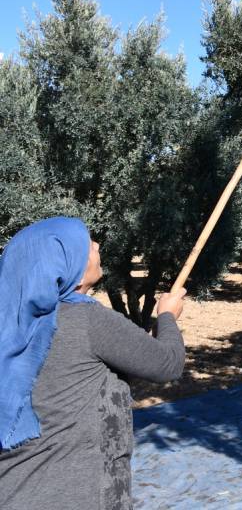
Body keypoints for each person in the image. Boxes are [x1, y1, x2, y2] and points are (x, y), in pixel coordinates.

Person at [0, 217, 187, 510]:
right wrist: (167, 316)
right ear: (68, 266)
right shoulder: (87, 320)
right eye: (87, 244)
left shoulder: (11, 324)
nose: (97, 245)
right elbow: (168, 364)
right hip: (80, 493)